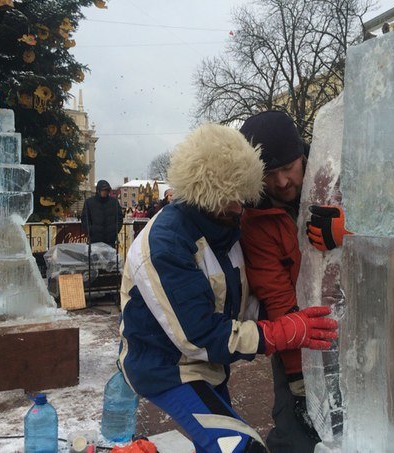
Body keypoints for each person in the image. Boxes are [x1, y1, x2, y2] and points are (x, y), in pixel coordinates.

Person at [118, 123, 338, 453]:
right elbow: (200, 336)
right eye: (228, 199)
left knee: (218, 443)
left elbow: (246, 296)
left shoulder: (227, 227)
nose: (239, 207)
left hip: (210, 366)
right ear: (202, 195)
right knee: (240, 447)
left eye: (242, 196)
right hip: (168, 369)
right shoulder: (167, 245)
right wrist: (280, 332)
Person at [239, 111, 349, 452]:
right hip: (296, 339)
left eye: (288, 168)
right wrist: (300, 380)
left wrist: (352, 229)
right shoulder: (255, 221)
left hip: (356, 326)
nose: (283, 181)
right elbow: (278, 299)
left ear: (302, 156)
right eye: (269, 175)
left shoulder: (332, 176)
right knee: (296, 432)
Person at [81, 180, 123, 246]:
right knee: (95, 256)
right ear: (98, 190)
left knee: (110, 256)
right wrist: (91, 230)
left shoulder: (114, 202)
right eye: (103, 190)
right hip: (95, 239)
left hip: (110, 239)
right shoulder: (89, 203)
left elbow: (119, 218)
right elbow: (85, 219)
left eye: (106, 190)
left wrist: (114, 231)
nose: (105, 192)